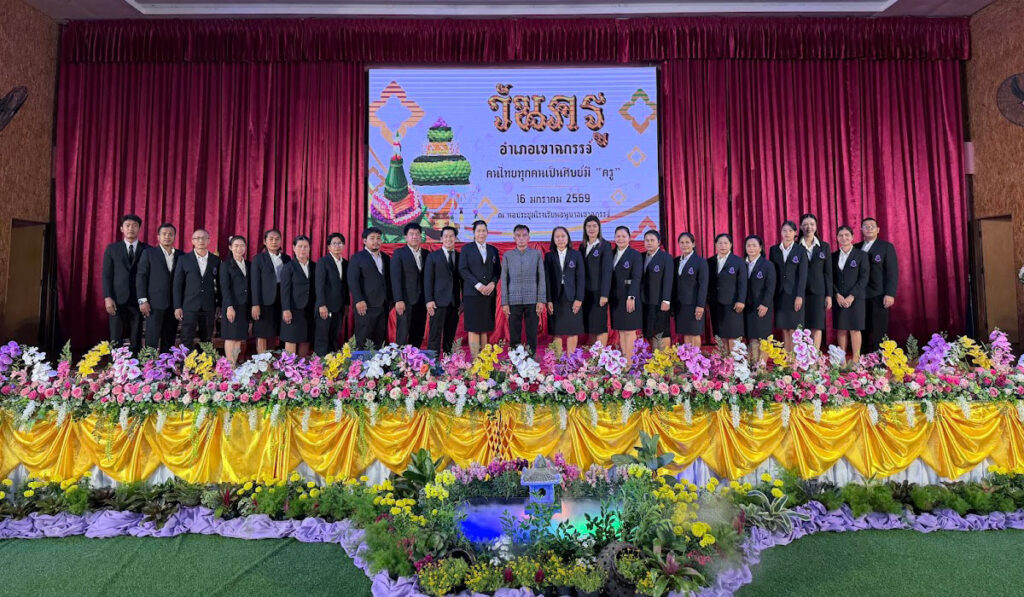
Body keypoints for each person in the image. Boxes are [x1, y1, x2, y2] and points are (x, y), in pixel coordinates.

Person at [102, 214, 148, 352]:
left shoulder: (147, 249)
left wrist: (145, 299)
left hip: (138, 298)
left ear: (139, 228)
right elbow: (107, 275)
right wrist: (107, 297)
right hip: (117, 298)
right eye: (127, 226)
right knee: (115, 336)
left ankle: (136, 362)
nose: (131, 229)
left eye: (134, 226)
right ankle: (115, 363)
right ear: (121, 228)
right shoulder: (112, 249)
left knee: (136, 335)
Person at [136, 222, 183, 352]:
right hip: (154, 303)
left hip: (174, 305)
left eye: (170, 234)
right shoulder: (149, 253)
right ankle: (148, 364)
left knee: (169, 339)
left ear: (174, 237)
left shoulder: (181, 255)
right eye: (164, 234)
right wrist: (142, 300)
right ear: (158, 237)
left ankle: (166, 364)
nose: (167, 236)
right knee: (151, 339)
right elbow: (141, 277)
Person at [856, 217, 899, 353]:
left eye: (872, 226)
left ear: (878, 230)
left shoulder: (886, 247)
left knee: (879, 329)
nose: (869, 228)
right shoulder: (855, 247)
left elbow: (892, 272)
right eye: (866, 226)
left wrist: (890, 294)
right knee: (861, 328)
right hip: (860, 295)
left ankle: (879, 359)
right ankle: (863, 358)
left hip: (879, 294)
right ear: (861, 229)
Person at [501, 224, 546, 353]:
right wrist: (505, 302)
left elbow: (541, 277)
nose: (521, 238)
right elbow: (504, 279)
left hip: (533, 300)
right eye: (518, 236)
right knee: (514, 333)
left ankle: (531, 358)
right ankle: (515, 359)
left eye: (524, 235)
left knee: (532, 332)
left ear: (528, 238)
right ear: (514, 238)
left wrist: (541, 300)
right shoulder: (508, 255)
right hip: (513, 300)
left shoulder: (536, 254)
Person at [459, 220, 501, 357]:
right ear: (474, 233)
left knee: (484, 328)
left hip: (488, 294)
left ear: (487, 232)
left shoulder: (493, 250)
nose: (481, 233)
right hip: (472, 294)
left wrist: (493, 283)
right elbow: (463, 270)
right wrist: (478, 285)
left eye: (484, 231)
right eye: (478, 231)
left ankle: (484, 361)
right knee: (473, 328)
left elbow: (497, 271)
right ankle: (475, 361)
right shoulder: (466, 249)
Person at [173, 229, 220, 348]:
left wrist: (219, 305)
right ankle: (186, 360)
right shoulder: (184, 259)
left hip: (208, 306)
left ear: (209, 240)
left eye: (204, 238)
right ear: (192, 241)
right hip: (189, 305)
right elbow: (177, 285)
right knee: (186, 338)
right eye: (197, 238)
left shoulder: (216, 260)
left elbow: (220, 285)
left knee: (207, 339)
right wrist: (177, 306)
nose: (200, 241)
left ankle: (205, 360)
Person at [349, 227, 392, 349]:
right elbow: (353, 281)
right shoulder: (357, 258)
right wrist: (358, 300)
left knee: (379, 340)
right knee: (363, 339)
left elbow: (388, 280)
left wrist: (390, 301)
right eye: (372, 238)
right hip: (365, 305)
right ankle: (361, 362)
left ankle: (378, 362)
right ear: (364, 241)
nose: (376, 241)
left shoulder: (386, 258)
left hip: (383, 306)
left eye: (378, 238)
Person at [769, 220, 808, 353]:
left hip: (794, 294)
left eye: (790, 231)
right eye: (784, 230)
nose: (787, 233)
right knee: (784, 327)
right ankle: (786, 356)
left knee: (794, 328)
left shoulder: (801, 250)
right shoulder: (774, 250)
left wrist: (800, 295)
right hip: (779, 294)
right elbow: (772, 273)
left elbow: (803, 275)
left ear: (795, 233)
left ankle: (794, 358)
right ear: (781, 232)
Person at [544, 226, 584, 353]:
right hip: (555, 297)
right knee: (557, 330)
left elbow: (581, 278)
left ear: (568, 238)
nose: (560, 239)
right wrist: (548, 300)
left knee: (573, 330)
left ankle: (571, 360)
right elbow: (547, 280)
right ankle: (559, 360)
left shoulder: (576, 255)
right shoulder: (549, 256)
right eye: (557, 237)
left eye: (563, 236)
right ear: (553, 239)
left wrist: (579, 299)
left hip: (572, 297)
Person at [250, 229, 291, 354]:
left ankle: (274, 360)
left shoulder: (287, 258)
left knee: (276, 331)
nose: (274, 242)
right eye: (271, 239)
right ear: (265, 241)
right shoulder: (258, 259)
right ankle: (262, 360)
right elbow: (254, 283)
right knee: (263, 332)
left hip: (282, 299)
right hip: (264, 300)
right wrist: (255, 304)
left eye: (277, 239)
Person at [834, 226, 870, 363]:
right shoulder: (833, 256)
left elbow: (864, 278)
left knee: (855, 329)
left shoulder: (861, 255)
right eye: (841, 235)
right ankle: (842, 360)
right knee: (841, 329)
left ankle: (856, 359)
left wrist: (852, 296)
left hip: (856, 298)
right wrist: (837, 295)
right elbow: (830, 278)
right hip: (839, 298)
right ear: (837, 238)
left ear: (852, 237)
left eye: (847, 235)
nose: (844, 238)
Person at [424, 226, 461, 356]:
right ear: (441, 238)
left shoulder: (460, 256)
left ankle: (448, 362)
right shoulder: (433, 256)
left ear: (455, 238)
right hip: (437, 302)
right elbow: (428, 280)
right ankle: (432, 362)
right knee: (435, 335)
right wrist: (429, 300)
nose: (448, 239)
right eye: (445, 236)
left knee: (450, 335)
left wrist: (462, 301)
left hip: (454, 303)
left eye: (451, 236)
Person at [391, 223, 429, 347]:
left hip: (422, 300)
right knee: (402, 333)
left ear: (421, 236)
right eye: (411, 234)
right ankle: (400, 358)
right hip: (405, 300)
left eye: (417, 234)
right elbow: (395, 278)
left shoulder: (427, 254)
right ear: (406, 237)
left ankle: (415, 357)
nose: (414, 237)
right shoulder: (399, 253)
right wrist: (398, 300)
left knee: (418, 332)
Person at [799, 213, 833, 350]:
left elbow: (828, 273)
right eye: (805, 224)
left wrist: (829, 295)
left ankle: (814, 356)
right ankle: (801, 356)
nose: (809, 227)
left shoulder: (824, 247)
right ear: (800, 227)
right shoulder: (795, 246)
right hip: (799, 292)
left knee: (817, 325)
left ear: (816, 226)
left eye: (812, 224)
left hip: (818, 292)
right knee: (800, 325)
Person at [707, 233, 746, 350]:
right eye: (720, 243)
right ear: (715, 245)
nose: (723, 246)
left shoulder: (738, 261)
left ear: (731, 245)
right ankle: (724, 359)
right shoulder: (710, 261)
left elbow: (742, 283)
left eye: (725, 243)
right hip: (715, 303)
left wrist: (741, 300)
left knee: (733, 334)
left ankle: (734, 359)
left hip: (733, 303)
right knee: (720, 334)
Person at [609, 226, 642, 361]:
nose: (621, 239)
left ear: (629, 238)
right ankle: (624, 361)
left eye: (623, 236)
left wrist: (631, 296)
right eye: (618, 236)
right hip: (616, 298)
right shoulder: (611, 254)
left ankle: (630, 362)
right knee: (621, 331)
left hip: (629, 297)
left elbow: (636, 278)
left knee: (629, 331)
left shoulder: (635, 255)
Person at [579, 215, 613, 347]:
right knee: (591, 325)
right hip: (586, 292)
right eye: (588, 226)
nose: (591, 229)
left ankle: (600, 355)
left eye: (594, 226)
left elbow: (607, 272)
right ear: (585, 229)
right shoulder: (582, 247)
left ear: (599, 228)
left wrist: (605, 294)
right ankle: (594, 355)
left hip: (599, 292)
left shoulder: (605, 246)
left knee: (600, 325)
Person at [314, 233, 350, 357]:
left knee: (334, 336)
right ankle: (320, 363)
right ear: (329, 247)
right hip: (325, 307)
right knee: (322, 337)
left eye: (340, 243)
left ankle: (332, 363)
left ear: (344, 246)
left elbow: (345, 286)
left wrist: (346, 304)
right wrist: (321, 305)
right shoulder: (323, 262)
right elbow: (319, 285)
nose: (337, 246)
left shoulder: (345, 263)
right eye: (334, 243)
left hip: (339, 307)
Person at [280, 235, 315, 355]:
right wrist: (286, 309)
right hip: (293, 308)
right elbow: (284, 290)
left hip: (309, 308)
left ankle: (302, 365)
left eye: (305, 246)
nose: (303, 249)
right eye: (300, 246)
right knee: (291, 338)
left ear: (309, 248)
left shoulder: (314, 266)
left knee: (305, 338)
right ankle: (290, 365)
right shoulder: (288, 267)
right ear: (294, 248)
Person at [744, 235, 777, 363]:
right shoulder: (742, 264)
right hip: (747, 306)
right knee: (752, 336)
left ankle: (762, 366)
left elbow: (770, 286)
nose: (751, 248)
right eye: (748, 245)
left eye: (754, 245)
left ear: (760, 248)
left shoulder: (767, 265)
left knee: (763, 336)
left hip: (762, 305)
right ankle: (754, 364)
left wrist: (765, 304)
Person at [672, 232, 708, 348]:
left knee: (694, 333)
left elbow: (703, 285)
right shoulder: (675, 261)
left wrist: (700, 305)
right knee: (686, 333)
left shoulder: (700, 262)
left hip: (694, 304)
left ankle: (696, 357)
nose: (684, 245)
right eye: (682, 242)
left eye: (687, 242)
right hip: (680, 304)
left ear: (693, 244)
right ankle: (688, 357)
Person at [640, 230, 674, 350]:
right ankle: (655, 357)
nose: (649, 243)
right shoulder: (641, 257)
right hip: (645, 301)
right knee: (649, 331)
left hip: (660, 302)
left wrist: (666, 300)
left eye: (652, 240)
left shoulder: (666, 258)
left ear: (658, 242)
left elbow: (668, 280)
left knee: (662, 331)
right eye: (647, 240)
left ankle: (663, 359)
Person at [220, 235, 251, 364]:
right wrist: (229, 306)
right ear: (230, 247)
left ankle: (235, 362)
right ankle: (230, 366)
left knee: (239, 337)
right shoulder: (226, 265)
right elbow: (225, 288)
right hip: (232, 305)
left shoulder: (248, 264)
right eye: (236, 246)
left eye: (242, 246)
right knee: (230, 337)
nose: (239, 248)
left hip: (244, 306)